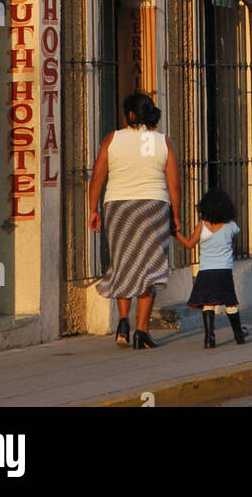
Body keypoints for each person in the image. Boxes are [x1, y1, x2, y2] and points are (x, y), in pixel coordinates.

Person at [88, 91, 181, 350]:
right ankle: (142, 330)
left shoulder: (112, 139)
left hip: (118, 207)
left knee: (123, 262)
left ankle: (122, 322)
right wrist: (175, 215)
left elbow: (97, 178)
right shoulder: (164, 142)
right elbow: (173, 183)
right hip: (154, 206)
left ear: (129, 114)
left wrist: (93, 209)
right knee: (149, 267)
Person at [177, 188, 248, 348]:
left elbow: (189, 244)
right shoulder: (231, 226)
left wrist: (177, 234)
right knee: (230, 303)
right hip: (224, 270)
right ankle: (238, 335)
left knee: (208, 303)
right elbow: (232, 242)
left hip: (206, 271)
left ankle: (209, 338)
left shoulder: (201, 225)